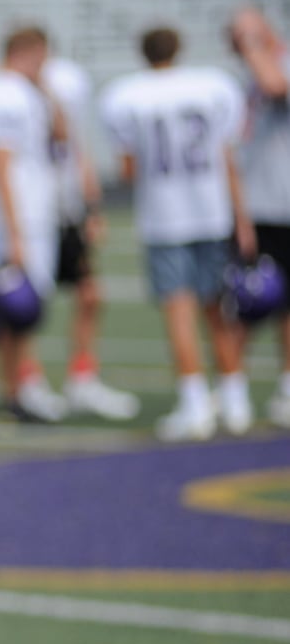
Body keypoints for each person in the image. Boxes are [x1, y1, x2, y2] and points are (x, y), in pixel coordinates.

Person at [100, 26, 255, 441]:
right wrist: (242, 217)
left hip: (166, 217)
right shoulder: (212, 87)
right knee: (217, 309)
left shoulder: (127, 96)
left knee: (179, 312)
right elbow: (227, 156)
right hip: (212, 212)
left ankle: (195, 406)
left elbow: (129, 169)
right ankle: (236, 402)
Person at [0, 25, 67, 423]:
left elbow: (61, 133)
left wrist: (45, 88)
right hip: (19, 219)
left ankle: (24, 388)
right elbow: (1, 168)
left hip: (34, 215)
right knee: (16, 307)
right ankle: (14, 393)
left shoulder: (26, 91)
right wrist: (14, 232)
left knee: (28, 307)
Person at [41, 51, 142, 420]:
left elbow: (77, 151)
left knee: (90, 295)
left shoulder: (65, 97)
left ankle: (82, 378)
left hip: (67, 213)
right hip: (34, 215)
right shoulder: (19, 103)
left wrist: (93, 208)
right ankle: (27, 382)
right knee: (26, 304)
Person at [227, 6, 290, 428]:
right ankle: (233, 392)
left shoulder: (277, 66)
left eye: (248, 34)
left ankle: (287, 388)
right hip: (258, 207)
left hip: (283, 206)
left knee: (285, 305)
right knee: (243, 303)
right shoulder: (242, 81)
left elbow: (276, 85)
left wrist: (253, 42)